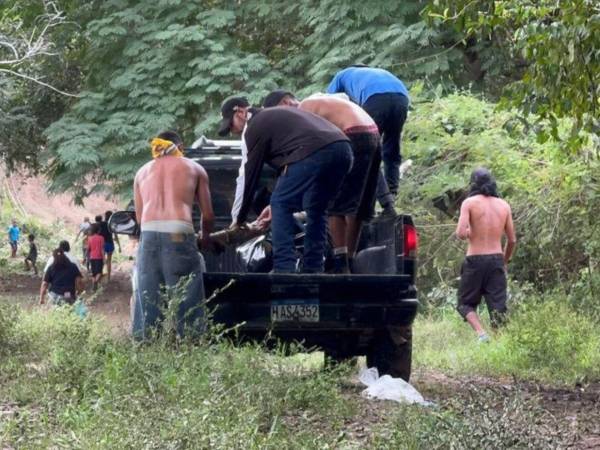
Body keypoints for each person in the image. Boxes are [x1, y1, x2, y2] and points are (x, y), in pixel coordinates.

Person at [218, 96, 353, 273]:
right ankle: (313, 268)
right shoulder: (279, 117)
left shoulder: (254, 127)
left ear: (241, 112)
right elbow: (288, 170)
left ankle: (284, 268)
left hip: (314, 151)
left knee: (281, 203)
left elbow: (247, 176)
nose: (232, 131)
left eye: (231, 124)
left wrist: (238, 220)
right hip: (344, 151)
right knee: (316, 208)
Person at [263, 91, 382, 273]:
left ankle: (341, 263)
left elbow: (312, 153)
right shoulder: (326, 101)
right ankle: (349, 260)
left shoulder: (303, 109)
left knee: (333, 202)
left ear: (286, 102)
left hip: (351, 134)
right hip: (372, 133)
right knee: (356, 204)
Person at [133, 130, 215, 339]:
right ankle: (191, 343)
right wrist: (205, 238)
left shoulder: (141, 172)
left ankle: (146, 345)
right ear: (181, 147)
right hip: (179, 231)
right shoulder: (194, 167)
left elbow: (140, 219)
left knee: (148, 293)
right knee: (187, 294)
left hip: (149, 233)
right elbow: (207, 215)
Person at [327, 65, 410, 214]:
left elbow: (330, 103)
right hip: (402, 98)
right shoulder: (374, 73)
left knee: (368, 152)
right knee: (392, 148)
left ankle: (385, 202)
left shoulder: (341, 75)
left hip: (375, 99)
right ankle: (392, 192)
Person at [455, 168, 517, 342]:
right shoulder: (504, 205)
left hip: (475, 259)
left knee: (464, 303)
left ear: (473, 184)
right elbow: (512, 240)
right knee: (498, 307)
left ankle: (481, 334)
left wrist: (469, 230)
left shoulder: (469, 203)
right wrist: (504, 261)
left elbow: (460, 233)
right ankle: (500, 343)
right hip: (497, 259)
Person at [96, 212, 120, 281]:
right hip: (110, 244)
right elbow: (116, 235)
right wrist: (119, 246)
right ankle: (108, 278)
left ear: (105, 216)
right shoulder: (112, 224)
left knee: (101, 261)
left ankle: (99, 277)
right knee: (109, 261)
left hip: (102, 244)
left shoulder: (101, 224)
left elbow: (97, 233)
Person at [87, 223, 105, 291]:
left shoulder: (90, 238)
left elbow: (88, 249)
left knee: (93, 273)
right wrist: (104, 258)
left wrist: (86, 258)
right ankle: (95, 282)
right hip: (99, 257)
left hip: (92, 257)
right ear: (98, 230)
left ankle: (94, 284)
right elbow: (102, 249)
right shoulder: (101, 238)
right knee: (99, 272)